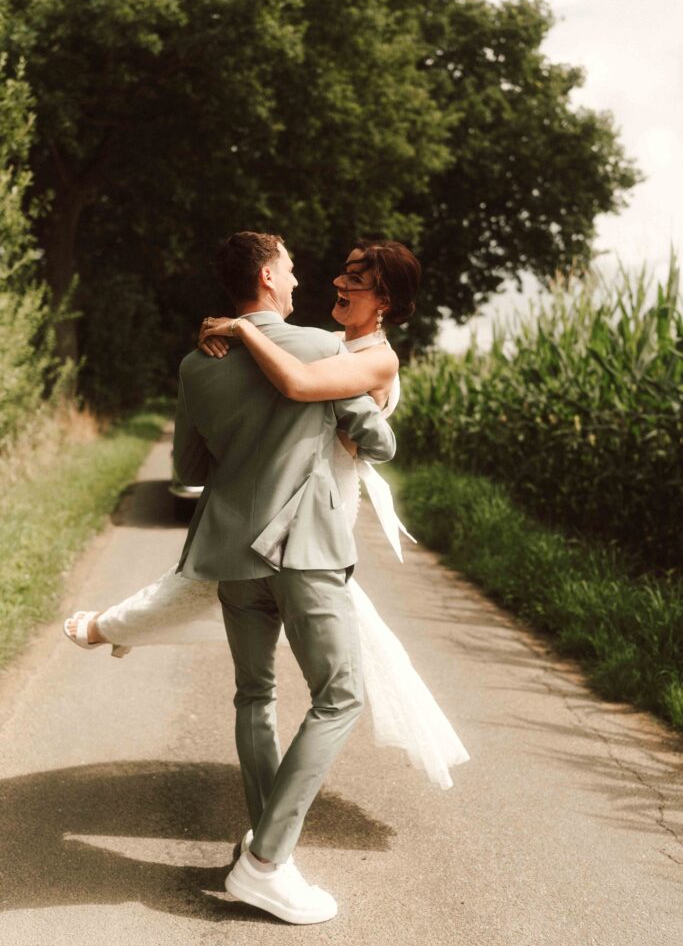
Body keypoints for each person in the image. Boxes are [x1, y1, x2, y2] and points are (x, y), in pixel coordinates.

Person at [64, 234, 470, 914]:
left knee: (254, 695)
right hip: (305, 546)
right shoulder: (323, 348)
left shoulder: (200, 362)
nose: (307, 276)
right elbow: (373, 436)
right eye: (289, 265)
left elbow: (190, 473)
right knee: (338, 694)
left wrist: (236, 343)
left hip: (231, 554)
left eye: (354, 278)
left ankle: (264, 842)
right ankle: (265, 859)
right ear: (266, 274)